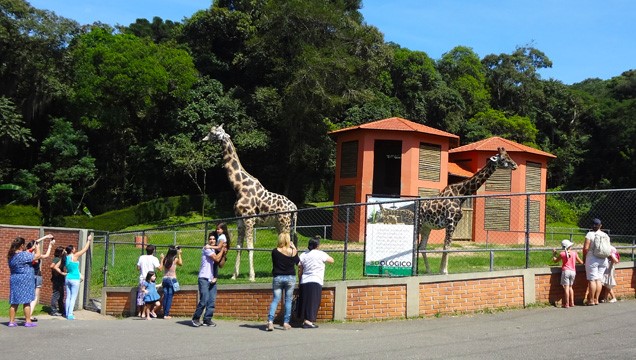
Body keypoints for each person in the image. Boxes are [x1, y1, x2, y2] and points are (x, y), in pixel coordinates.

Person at [7, 234, 54, 327]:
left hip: (14, 279)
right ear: (21, 246)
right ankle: (28, 321)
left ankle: (11, 321)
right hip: (25, 280)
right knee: (27, 301)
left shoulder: (11, 256)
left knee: (14, 301)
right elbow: (38, 256)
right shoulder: (23, 255)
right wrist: (38, 248)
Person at [298, 235, 334, 329]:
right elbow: (331, 260)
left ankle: (305, 319)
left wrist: (299, 280)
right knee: (314, 301)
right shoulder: (320, 254)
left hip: (305, 280)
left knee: (305, 301)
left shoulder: (303, 254)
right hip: (316, 279)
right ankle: (308, 321)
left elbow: (300, 269)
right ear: (317, 245)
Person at [191, 234, 227, 327]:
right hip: (203, 278)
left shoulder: (215, 250)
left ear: (216, 241)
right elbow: (215, 258)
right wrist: (222, 249)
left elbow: (221, 264)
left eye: (214, 239)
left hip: (212, 279)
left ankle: (207, 319)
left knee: (211, 301)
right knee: (204, 299)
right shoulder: (206, 249)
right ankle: (195, 318)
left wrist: (224, 253)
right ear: (208, 241)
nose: (212, 240)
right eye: (210, 239)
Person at [266, 233, 299, 331]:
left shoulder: (275, 251)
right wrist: (294, 249)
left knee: (276, 299)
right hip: (290, 277)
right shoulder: (292, 251)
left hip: (278, 277)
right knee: (288, 300)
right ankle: (286, 323)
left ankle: (270, 322)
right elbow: (298, 262)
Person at [65, 232, 93, 320]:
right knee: (73, 297)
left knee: (68, 297)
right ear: (72, 250)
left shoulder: (65, 258)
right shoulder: (75, 256)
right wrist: (88, 240)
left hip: (68, 277)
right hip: (75, 278)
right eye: (73, 248)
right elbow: (84, 249)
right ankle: (70, 314)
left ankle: (66, 312)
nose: (75, 249)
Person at [26, 237, 54, 321]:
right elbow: (46, 255)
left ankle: (28, 313)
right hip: (37, 276)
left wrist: (49, 243)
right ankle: (29, 315)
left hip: (29, 276)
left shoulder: (26, 254)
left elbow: (45, 254)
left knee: (29, 296)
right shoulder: (36, 256)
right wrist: (48, 240)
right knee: (35, 296)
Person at [583, 218, 609, 306]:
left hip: (592, 259)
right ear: (600, 226)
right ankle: (596, 299)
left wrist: (584, 258)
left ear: (592, 225)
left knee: (592, 280)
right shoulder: (605, 235)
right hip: (603, 259)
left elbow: (586, 248)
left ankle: (591, 300)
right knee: (599, 279)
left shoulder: (590, 234)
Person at [552, 239, 583, 308]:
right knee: (570, 287)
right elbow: (581, 262)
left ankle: (567, 303)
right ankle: (572, 303)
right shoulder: (574, 253)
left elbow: (555, 261)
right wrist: (574, 262)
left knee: (566, 287)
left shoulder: (562, 253)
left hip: (566, 271)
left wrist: (554, 254)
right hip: (573, 271)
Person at [136, 244, 163, 317]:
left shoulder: (141, 257)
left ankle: (140, 312)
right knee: (148, 296)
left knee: (141, 295)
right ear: (153, 251)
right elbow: (160, 268)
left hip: (142, 278)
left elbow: (138, 268)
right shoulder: (154, 259)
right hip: (150, 279)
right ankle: (145, 313)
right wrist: (162, 259)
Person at [161, 245, 182, 319]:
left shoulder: (165, 259)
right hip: (172, 279)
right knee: (169, 297)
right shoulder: (175, 259)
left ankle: (164, 314)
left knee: (165, 296)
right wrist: (179, 254)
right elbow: (181, 263)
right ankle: (166, 314)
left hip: (165, 279)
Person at [50, 246, 67, 316]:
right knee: (56, 294)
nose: (64, 252)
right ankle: (53, 310)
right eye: (63, 251)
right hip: (57, 279)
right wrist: (60, 272)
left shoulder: (61, 259)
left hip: (60, 279)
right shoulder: (57, 259)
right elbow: (52, 266)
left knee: (61, 295)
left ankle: (61, 309)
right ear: (60, 252)